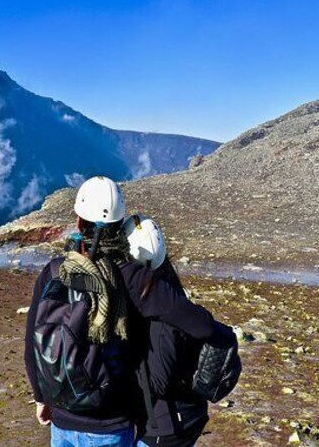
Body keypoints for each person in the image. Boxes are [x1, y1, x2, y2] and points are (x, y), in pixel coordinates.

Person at [24, 177, 219, 447]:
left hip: (63, 418)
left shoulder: (54, 270)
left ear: (79, 221)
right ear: (121, 225)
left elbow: (32, 341)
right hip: (111, 424)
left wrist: (41, 398)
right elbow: (201, 326)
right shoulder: (134, 278)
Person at [122, 214, 237, 447]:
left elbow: (159, 381)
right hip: (184, 417)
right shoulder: (170, 294)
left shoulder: (162, 313)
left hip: (167, 426)